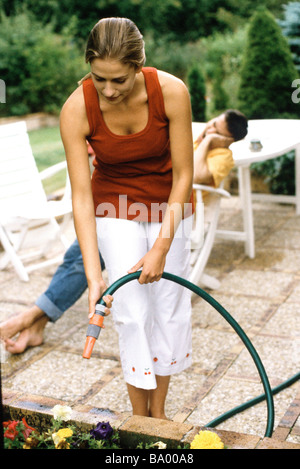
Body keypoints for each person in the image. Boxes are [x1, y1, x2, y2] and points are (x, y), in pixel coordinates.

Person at [0, 110, 248, 357]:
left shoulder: (222, 156)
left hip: (167, 220)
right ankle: (36, 321)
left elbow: (192, 174)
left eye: (218, 132)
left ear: (228, 140)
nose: (210, 130)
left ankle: (32, 317)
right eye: (212, 124)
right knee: (78, 255)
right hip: (139, 206)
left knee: (88, 255)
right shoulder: (189, 136)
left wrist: (207, 142)